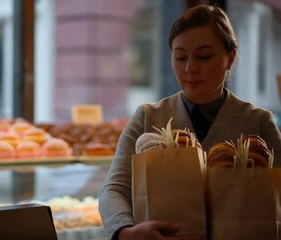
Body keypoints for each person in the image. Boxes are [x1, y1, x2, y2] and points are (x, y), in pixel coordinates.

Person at [98, 4, 281, 240]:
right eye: (180, 56)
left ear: (230, 58)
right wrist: (124, 231)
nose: (190, 68)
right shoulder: (148, 117)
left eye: (204, 56)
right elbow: (114, 189)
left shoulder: (258, 122)